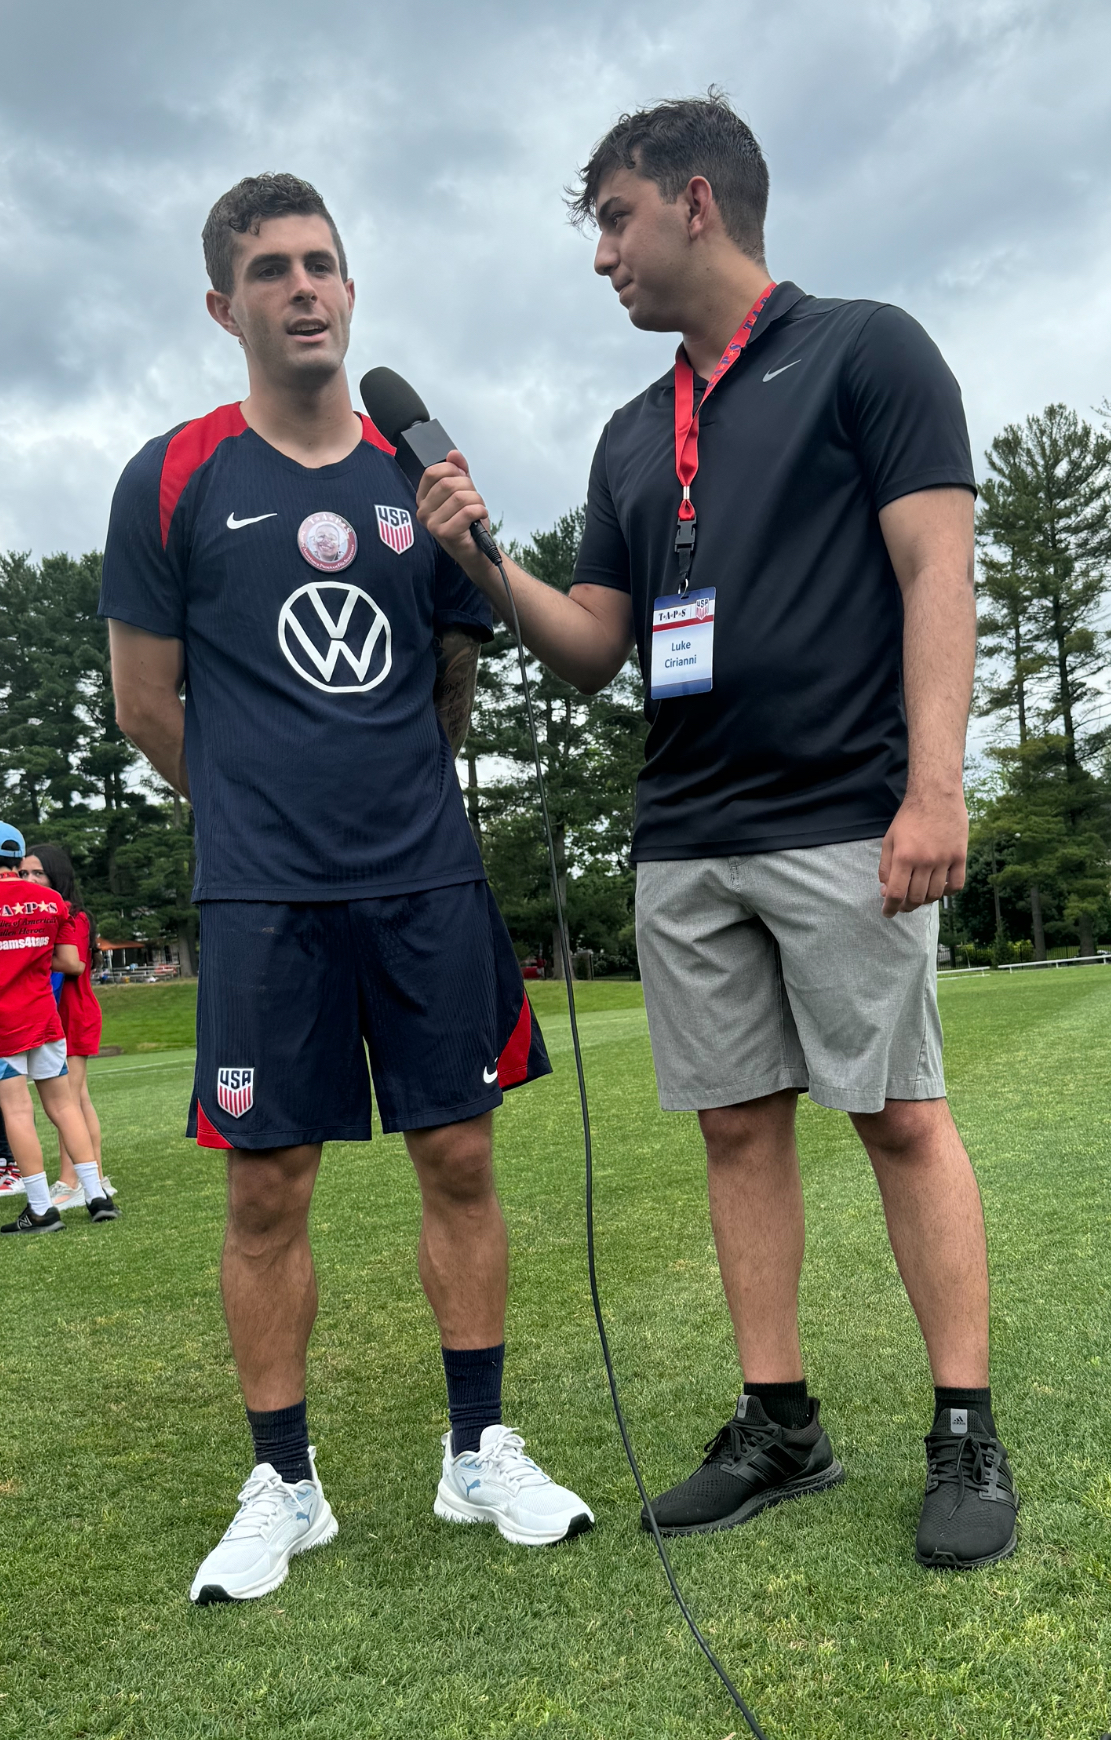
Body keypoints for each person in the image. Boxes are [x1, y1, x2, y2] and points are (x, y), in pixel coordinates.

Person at [415, 95, 1019, 1571]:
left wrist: (931, 787)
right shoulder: (632, 433)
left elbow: (937, 567)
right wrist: (483, 558)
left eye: (613, 220)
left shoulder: (867, 350)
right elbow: (591, 647)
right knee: (736, 1127)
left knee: (893, 1114)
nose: (600, 255)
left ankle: (962, 1429)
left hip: (839, 815)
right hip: (682, 836)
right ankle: (777, 1423)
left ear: (696, 202)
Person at [101, 173, 592, 1607]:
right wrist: (267, 807)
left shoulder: (411, 477)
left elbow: (452, 675)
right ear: (223, 305)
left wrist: (460, 561)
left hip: (425, 878)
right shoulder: (172, 475)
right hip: (264, 899)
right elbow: (143, 705)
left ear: (351, 290)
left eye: (322, 264)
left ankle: (475, 1448)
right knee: (268, 1187)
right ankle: (287, 1485)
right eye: (270, 271)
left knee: (460, 1160)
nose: (302, 288)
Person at [0, 821, 120, 1232]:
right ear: (17, 859)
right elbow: (71, 959)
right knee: (64, 1105)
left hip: (5, 1023)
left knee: (17, 1110)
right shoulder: (52, 902)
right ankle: (96, 1195)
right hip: (46, 1019)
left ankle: (40, 1208)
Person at [20, 845, 115, 1208]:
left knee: (67, 1103)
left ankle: (70, 1182)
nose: (29, 880)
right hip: (64, 1013)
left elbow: (73, 964)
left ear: (56, 876)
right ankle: (98, 1178)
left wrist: (28, 954)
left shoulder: (71, 914)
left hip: (73, 1013)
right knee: (78, 1099)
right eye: (25, 873)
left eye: (38, 873)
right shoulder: (46, 913)